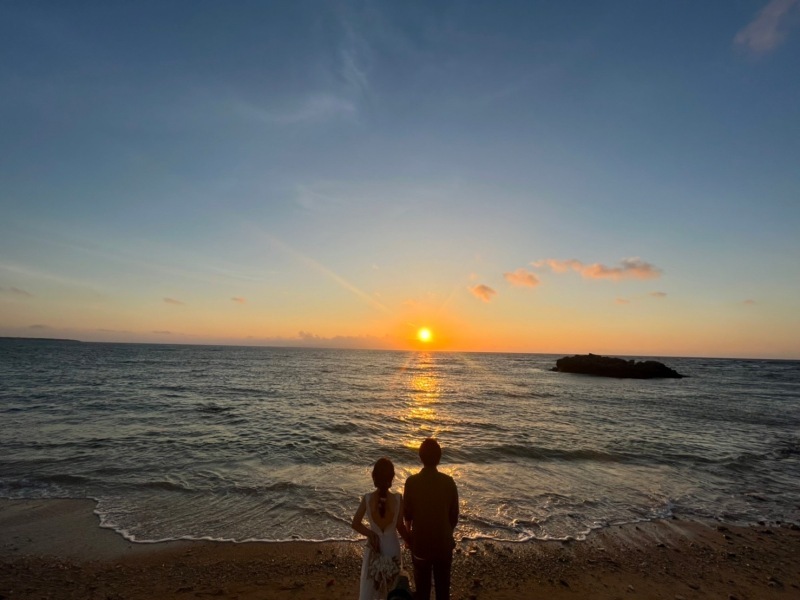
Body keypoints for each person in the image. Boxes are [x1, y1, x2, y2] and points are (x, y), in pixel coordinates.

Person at [403, 438, 459, 600]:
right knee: (443, 591)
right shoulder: (449, 482)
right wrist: (446, 533)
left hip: (421, 545)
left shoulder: (411, 482)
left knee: (422, 591)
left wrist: (408, 538)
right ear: (439, 458)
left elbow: (407, 515)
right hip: (443, 545)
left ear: (420, 457)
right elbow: (453, 517)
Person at [352, 457, 411, 600]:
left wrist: (371, 534)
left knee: (372, 587)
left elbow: (355, 523)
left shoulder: (367, 498)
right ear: (391, 478)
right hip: (392, 547)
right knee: (392, 590)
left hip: (374, 549)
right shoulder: (398, 499)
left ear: (374, 477)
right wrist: (411, 542)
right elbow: (399, 525)